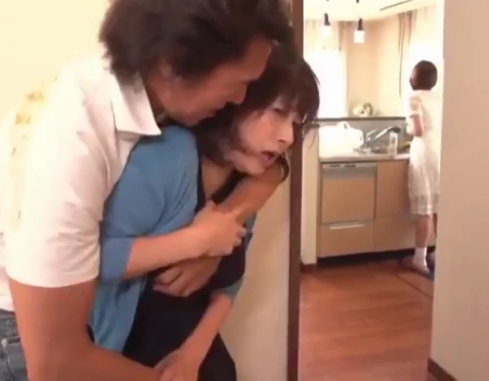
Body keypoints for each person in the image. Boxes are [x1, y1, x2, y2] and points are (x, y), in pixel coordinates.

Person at [0, 0, 296, 380]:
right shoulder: (68, 140)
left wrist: (228, 222)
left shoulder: (161, 100)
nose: (239, 99)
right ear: (175, 63)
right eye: (238, 83)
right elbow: (55, 363)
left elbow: (266, 166)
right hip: (15, 326)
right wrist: (196, 243)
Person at [92, 48, 319, 381]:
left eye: (295, 124)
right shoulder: (170, 156)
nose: (287, 137)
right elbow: (91, 260)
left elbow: (230, 284)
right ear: (237, 97)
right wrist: (198, 243)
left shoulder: (248, 183)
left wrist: (191, 356)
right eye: (277, 112)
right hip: (124, 360)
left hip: (193, 357)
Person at [402, 60, 442, 275]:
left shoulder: (414, 97)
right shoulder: (439, 97)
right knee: (438, 205)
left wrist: (408, 128)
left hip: (424, 152)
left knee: (425, 209)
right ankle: (440, 255)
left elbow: (417, 130)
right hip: (440, 151)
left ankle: (419, 259)